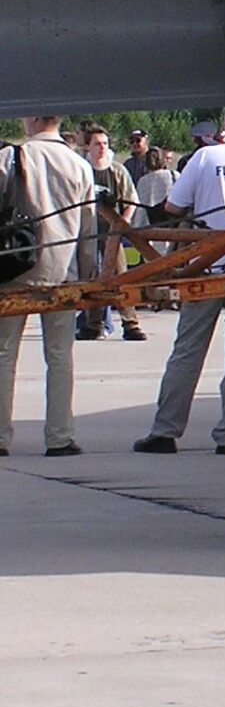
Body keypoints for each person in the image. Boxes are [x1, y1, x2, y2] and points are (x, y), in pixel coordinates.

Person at [135, 105, 225, 455]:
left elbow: (173, 208)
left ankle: (166, 430)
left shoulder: (206, 157)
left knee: (187, 351)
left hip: (204, 269)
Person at [0, 116, 98, 457]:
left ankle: (0, 436)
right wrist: (88, 278)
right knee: (59, 357)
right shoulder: (79, 165)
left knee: (4, 355)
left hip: (15, 270)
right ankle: (59, 435)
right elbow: (89, 232)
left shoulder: (13, 157)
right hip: (64, 273)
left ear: (32, 118)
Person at [79, 124, 144, 342]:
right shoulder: (82, 170)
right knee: (92, 277)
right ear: (87, 146)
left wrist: (122, 224)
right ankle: (93, 324)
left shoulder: (117, 170)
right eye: (97, 144)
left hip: (112, 234)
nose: (102, 148)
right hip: (87, 232)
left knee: (121, 276)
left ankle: (130, 323)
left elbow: (132, 199)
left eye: (105, 144)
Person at [134, 146, 182, 311]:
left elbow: (140, 208)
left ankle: (154, 297)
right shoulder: (175, 176)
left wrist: (136, 231)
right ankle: (173, 297)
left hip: (151, 226)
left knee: (152, 264)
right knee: (173, 263)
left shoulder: (143, 181)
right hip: (172, 225)